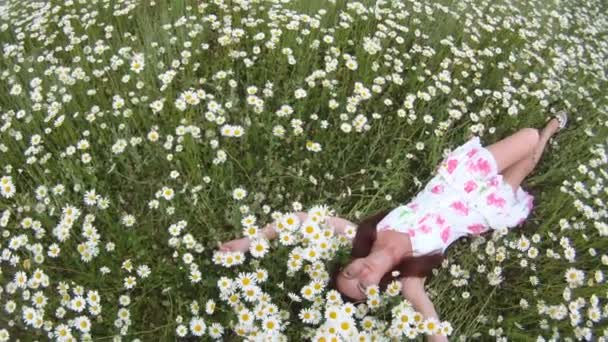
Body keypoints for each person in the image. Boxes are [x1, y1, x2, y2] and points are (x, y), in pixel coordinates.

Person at [218, 112, 568, 341]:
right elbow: (434, 331)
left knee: (526, 137)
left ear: (348, 262)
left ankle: (542, 131)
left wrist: (252, 240)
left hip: (457, 180)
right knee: (528, 161)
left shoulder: (362, 234)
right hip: (481, 209)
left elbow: (303, 221)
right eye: (363, 286)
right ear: (379, 288)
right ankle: (553, 126)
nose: (361, 275)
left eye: (349, 273)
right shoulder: (410, 279)